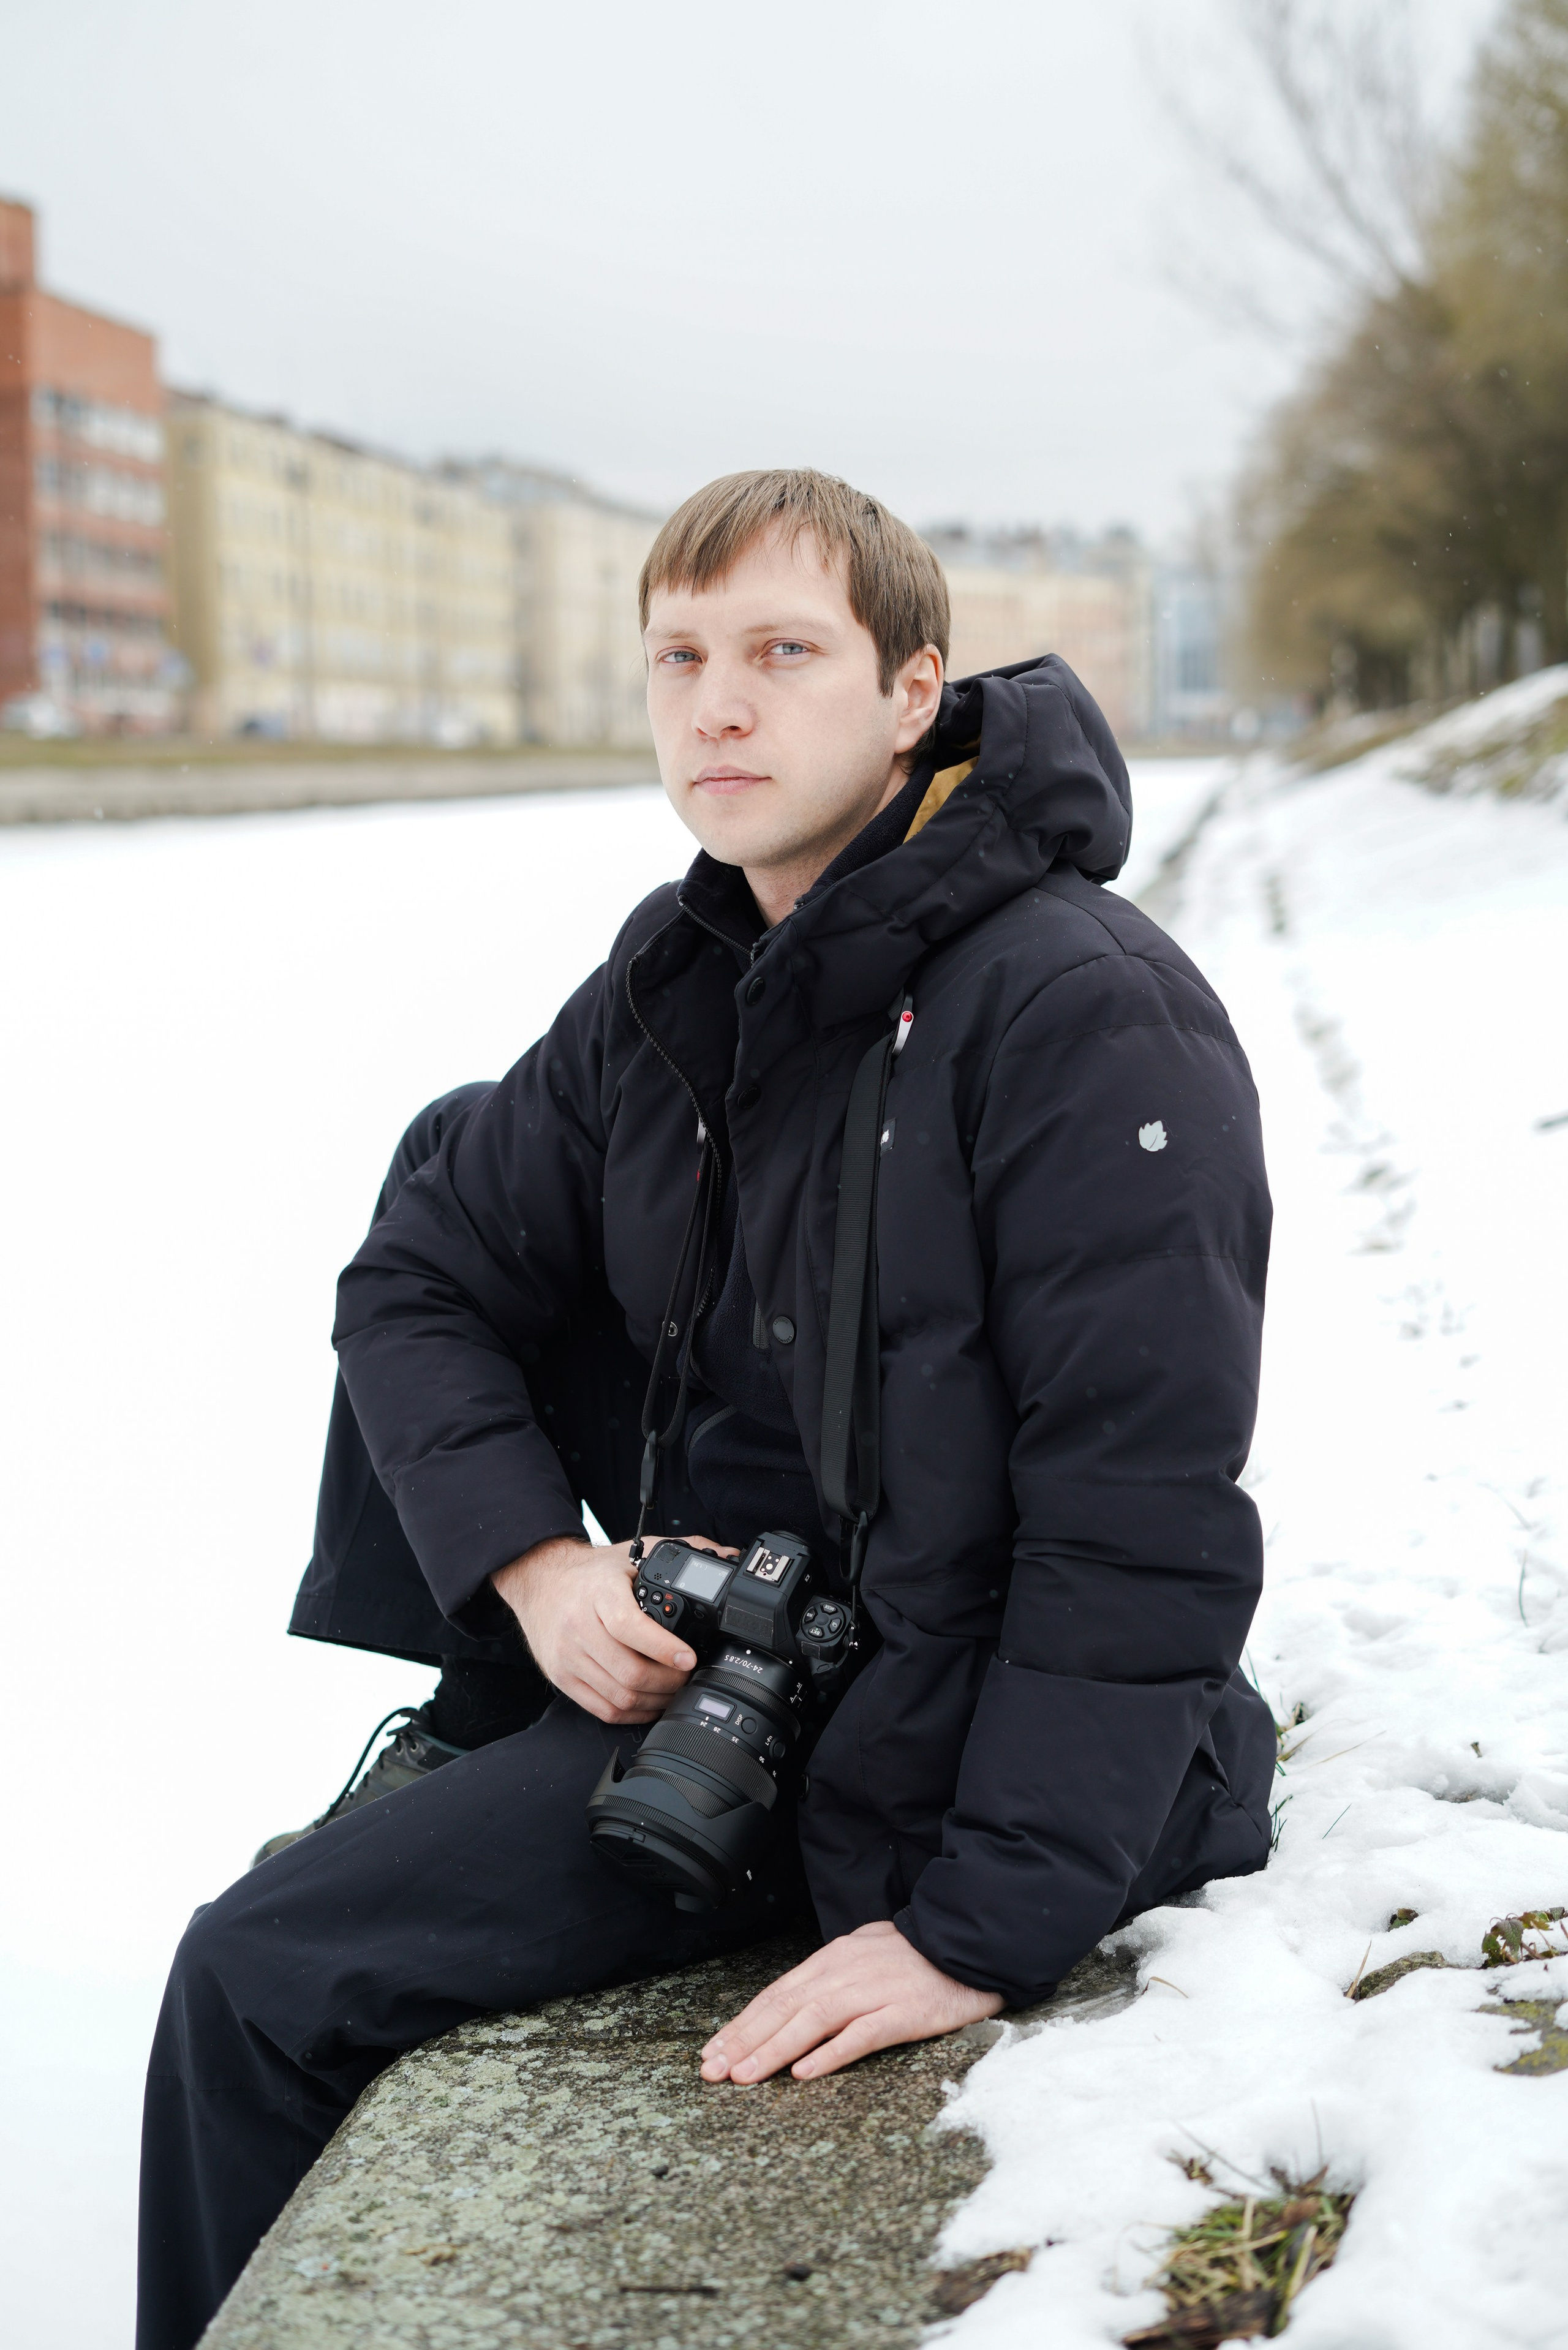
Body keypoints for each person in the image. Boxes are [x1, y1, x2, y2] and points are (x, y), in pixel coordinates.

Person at [137, 469, 1275, 2349]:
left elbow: (1138, 1504)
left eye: (782, 653)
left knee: (255, 1978)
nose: (718, 707)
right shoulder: (677, 975)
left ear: (913, 693)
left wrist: (978, 1926)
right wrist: (536, 1569)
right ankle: (482, 1715)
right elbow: (416, 1280)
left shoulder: (1084, 1015)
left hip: (919, 1728)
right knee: (459, 1157)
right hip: (729, 1629)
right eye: (679, 658)